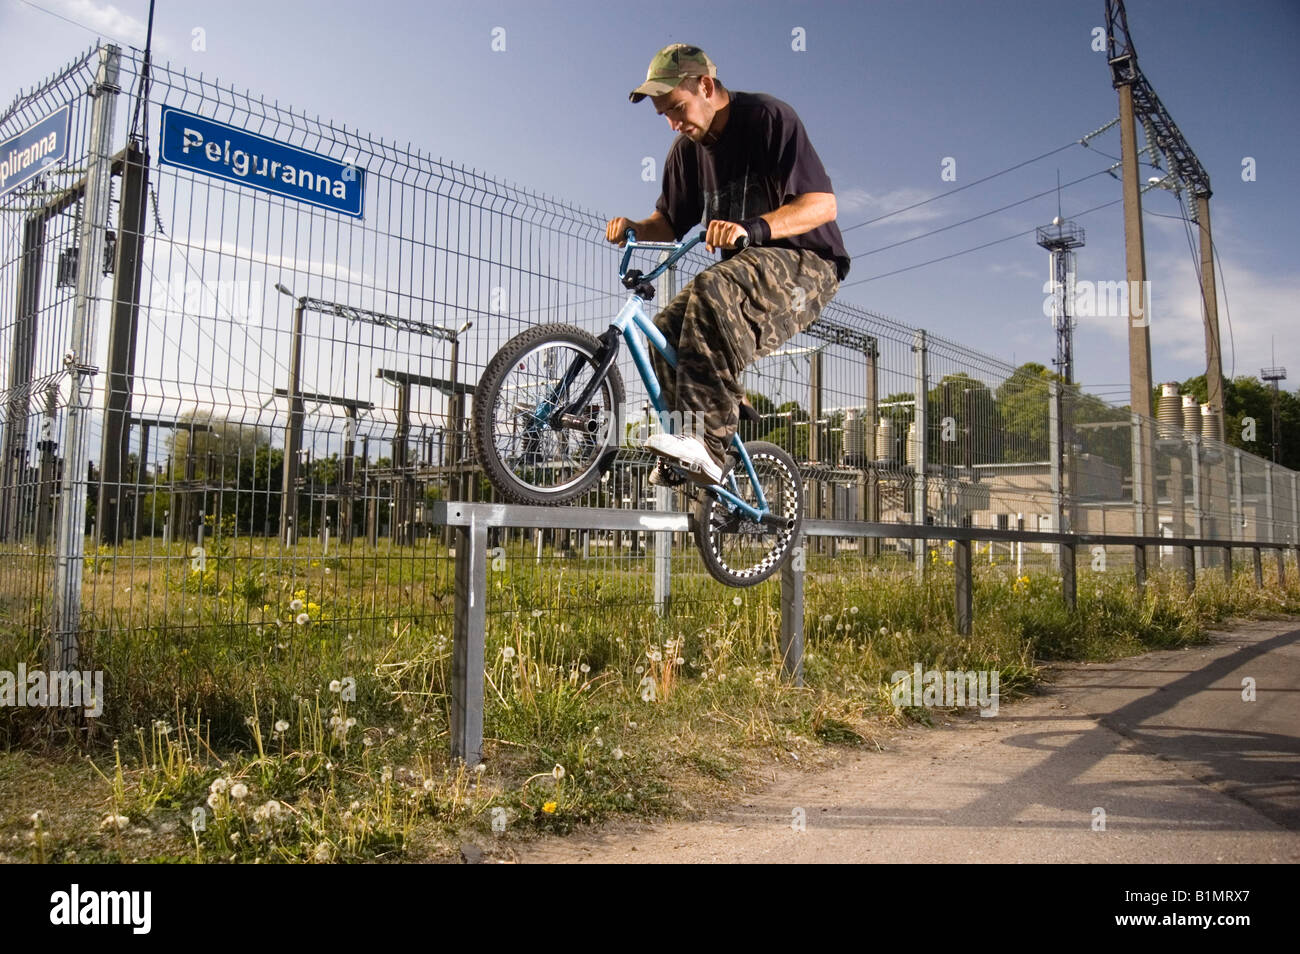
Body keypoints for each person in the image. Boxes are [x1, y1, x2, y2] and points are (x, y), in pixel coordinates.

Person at [605, 43, 850, 485]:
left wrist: (753, 228)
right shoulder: (685, 152)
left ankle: (708, 444)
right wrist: (637, 227)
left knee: (713, 291)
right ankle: (693, 440)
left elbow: (823, 205)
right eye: (664, 114)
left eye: (677, 108)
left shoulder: (768, 119)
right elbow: (672, 221)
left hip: (807, 265)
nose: (673, 123)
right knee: (666, 329)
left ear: (706, 85)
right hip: (744, 274)